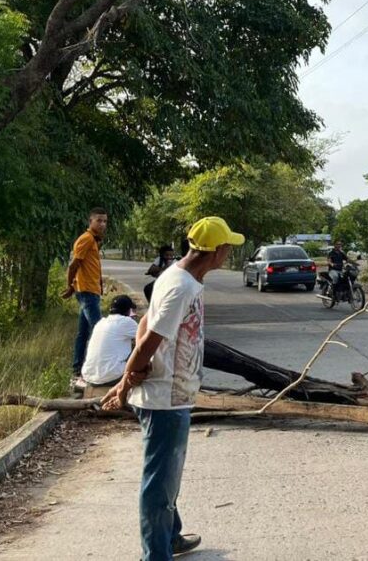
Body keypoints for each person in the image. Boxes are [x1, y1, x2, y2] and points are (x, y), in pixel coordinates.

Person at [102, 215, 244, 561]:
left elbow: (145, 322)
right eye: (228, 247)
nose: (229, 253)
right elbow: (149, 340)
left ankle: (171, 537)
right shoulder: (181, 286)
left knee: (169, 476)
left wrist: (128, 378)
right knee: (159, 484)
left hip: (172, 394)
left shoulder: (179, 276)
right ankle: (156, 554)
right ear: (217, 251)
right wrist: (124, 384)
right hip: (164, 399)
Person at [64, 207, 107, 388]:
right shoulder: (86, 239)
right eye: (99, 221)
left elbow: (91, 267)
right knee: (100, 331)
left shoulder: (94, 241)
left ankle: (77, 372)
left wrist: (100, 286)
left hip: (91, 291)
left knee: (83, 333)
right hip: (87, 292)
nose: (102, 224)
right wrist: (70, 285)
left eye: (105, 221)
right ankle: (96, 372)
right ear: (90, 222)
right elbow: (74, 264)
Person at [82, 295, 139, 387]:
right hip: (111, 376)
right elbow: (147, 338)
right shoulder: (126, 321)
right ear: (128, 310)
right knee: (143, 355)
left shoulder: (100, 323)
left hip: (88, 376)